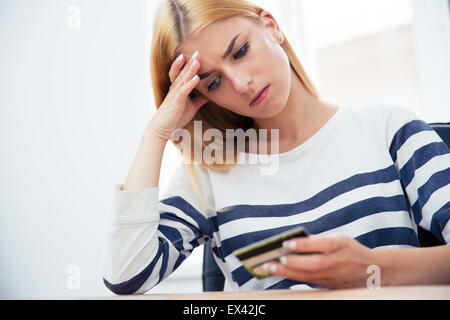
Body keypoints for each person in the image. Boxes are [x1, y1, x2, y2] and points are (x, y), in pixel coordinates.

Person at [102, 0, 450, 295]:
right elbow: (127, 275)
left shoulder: (389, 129)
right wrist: (156, 134)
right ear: (200, 96)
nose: (241, 84)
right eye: (215, 82)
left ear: (271, 26)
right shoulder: (209, 174)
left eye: (240, 51)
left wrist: (372, 269)